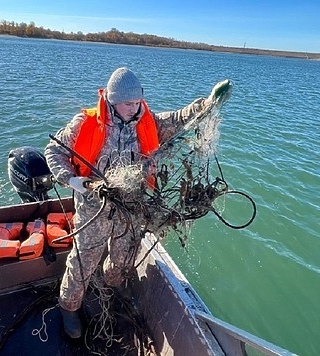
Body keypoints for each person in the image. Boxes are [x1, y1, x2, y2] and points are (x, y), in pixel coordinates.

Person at [45, 67, 230, 338]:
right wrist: (72, 180)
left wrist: (207, 103)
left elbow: (178, 119)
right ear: (111, 99)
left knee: (124, 255)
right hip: (93, 206)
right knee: (84, 260)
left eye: (137, 101)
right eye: (128, 103)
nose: (134, 107)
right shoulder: (85, 122)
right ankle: (69, 307)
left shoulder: (147, 120)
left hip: (131, 207)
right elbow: (54, 150)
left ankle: (113, 285)